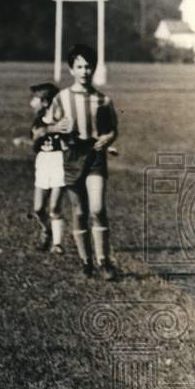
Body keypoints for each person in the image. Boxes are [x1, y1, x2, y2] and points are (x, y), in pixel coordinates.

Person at [44, 44, 119, 280]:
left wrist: (108, 138)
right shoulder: (62, 98)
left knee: (97, 208)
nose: (85, 71)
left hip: (95, 157)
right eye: (80, 66)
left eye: (88, 66)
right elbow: (43, 127)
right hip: (72, 158)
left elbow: (112, 130)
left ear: (94, 68)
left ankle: (104, 261)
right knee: (80, 210)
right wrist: (55, 127)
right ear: (71, 69)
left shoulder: (103, 100)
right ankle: (86, 261)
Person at [27, 81, 67, 254]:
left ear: (45, 102)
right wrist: (49, 130)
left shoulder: (63, 119)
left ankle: (57, 244)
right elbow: (36, 139)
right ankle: (46, 230)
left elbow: (70, 137)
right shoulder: (37, 120)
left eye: (34, 99)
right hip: (43, 164)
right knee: (38, 208)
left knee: (55, 208)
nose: (31, 103)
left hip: (59, 163)